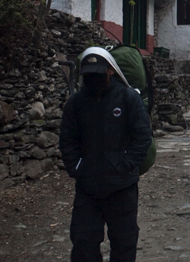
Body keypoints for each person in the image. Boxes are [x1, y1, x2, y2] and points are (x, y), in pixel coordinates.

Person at [59, 47, 152, 262]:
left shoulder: (128, 99)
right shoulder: (76, 103)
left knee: (124, 243)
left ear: (111, 71)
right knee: (83, 243)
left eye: (99, 73)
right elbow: (68, 140)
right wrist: (77, 168)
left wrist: (126, 164)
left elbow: (142, 137)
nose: (94, 78)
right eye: (89, 74)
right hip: (87, 186)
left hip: (122, 186)